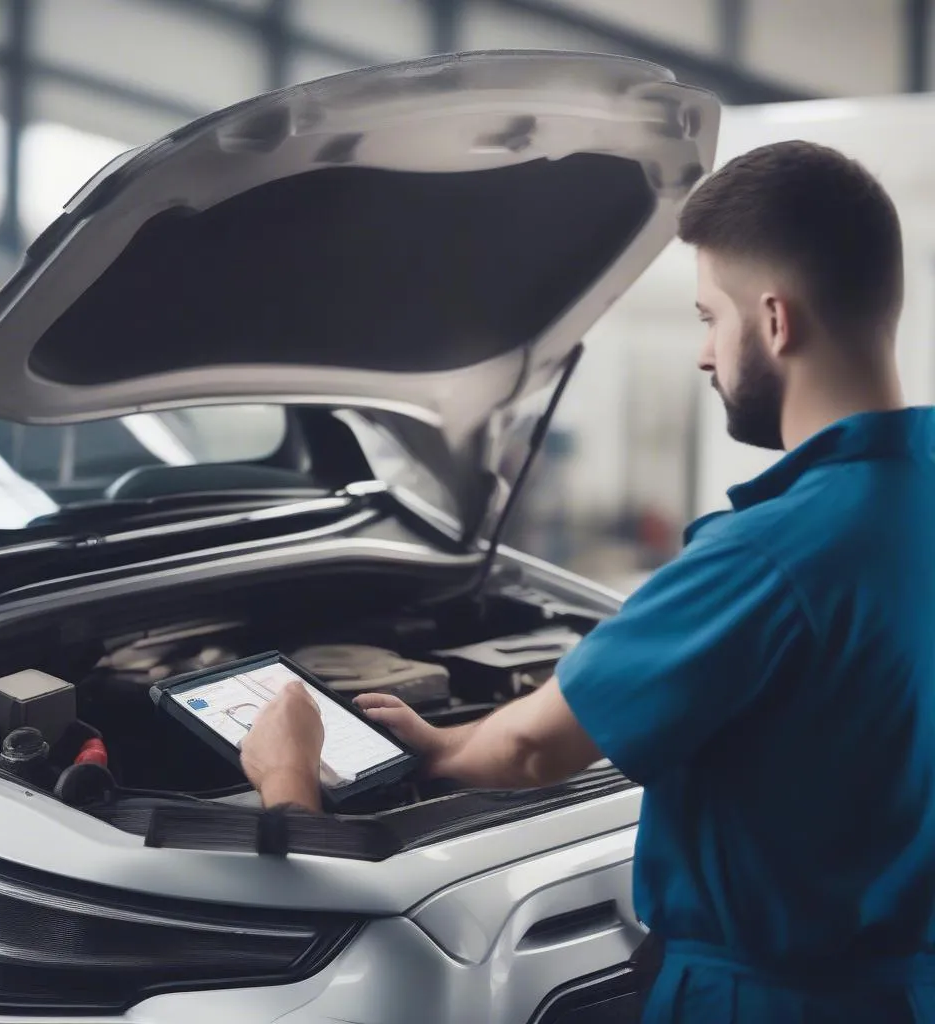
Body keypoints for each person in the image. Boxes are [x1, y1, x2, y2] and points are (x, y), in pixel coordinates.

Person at [241, 141, 935, 1022]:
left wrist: (308, 772)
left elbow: (535, 750)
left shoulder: (770, 552)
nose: (703, 355)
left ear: (774, 321)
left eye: (707, 317)